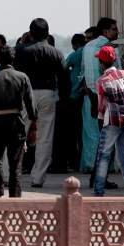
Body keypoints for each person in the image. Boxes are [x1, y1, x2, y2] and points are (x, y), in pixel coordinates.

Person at [0, 45, 36, 197]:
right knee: (15, 163)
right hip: (15, 122)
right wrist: (34, 128)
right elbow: (31, 107)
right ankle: (15, 196)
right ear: (13, 58)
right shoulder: (22, 77)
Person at [13, 18, 65, 188]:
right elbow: (64, 78)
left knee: (18, 135)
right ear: (47, 34)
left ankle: (10, 174)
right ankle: (38, 178)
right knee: (45, 138)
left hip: (25, 94)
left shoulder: (20, 51)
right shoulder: (56, 53)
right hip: (48, 94)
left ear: (30, 33)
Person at [91, 45, 124, 196]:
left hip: (111, 121)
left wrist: (101, 120)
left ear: (101, 63)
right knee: (123, 155)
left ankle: (99, 190)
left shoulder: (102, 81)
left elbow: (101, 107)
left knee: (104, 155)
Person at [81, 18, 118, 174]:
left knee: (91, 133)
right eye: (114, 29)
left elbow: (83, 72)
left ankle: (91, 165)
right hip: (106, 96)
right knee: (108, 135)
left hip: (89, 95)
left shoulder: (87, 46)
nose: (117, 32)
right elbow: (116, 75)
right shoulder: (109, 48)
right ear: (105, 31)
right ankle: (103, 170)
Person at [56, 32, 87, 174]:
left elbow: (63, 68)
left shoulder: (75, 55)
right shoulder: (89, 53)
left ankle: (75, 161)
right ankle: (80, 161)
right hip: (85, 95)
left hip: (73, 96)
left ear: (74, 45)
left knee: (73, 132)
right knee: (82, 131)